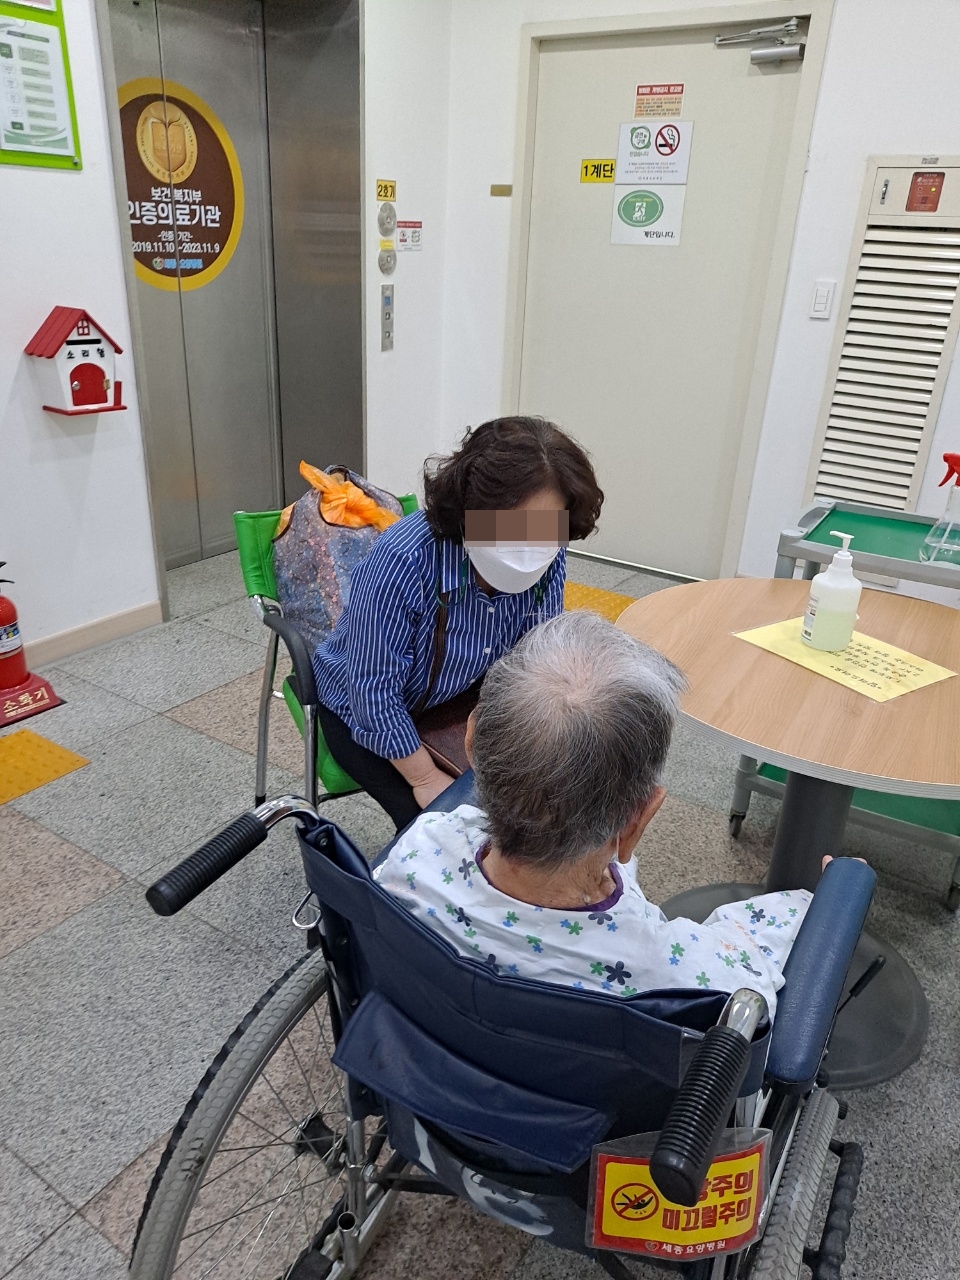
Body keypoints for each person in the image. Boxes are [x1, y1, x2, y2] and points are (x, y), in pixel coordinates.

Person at [374, 611, 815, 1016]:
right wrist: (824, 897)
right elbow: (753, 976)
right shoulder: (668, 975)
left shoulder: (414, 856)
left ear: (471, 742)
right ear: (636, 822)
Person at [313, 417, 603, 830]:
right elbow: (371, 691)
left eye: (541, 530)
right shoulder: (403, 560)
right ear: (468, 509)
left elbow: (538, 656)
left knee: (541, 808)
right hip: (365, 712)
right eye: (507, 526)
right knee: (443, 828)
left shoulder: (550, 550)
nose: (527, 547)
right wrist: (424, 778)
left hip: (460, 698)